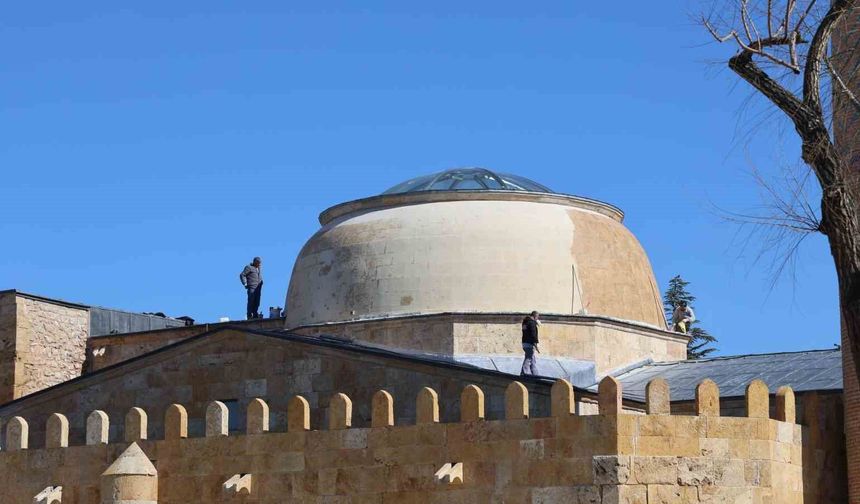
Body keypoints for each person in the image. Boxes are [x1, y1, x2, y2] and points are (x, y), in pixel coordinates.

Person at [521, 311, 540, 376]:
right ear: (535, 316)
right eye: (537, 317)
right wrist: (536, 343)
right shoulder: (532, 323)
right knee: (528, 358)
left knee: (532, 359)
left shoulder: (525, 322)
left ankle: (535, 374)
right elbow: (533, 334)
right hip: (529, 343)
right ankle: (524, 373)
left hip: (524, 342)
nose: (537, 319)